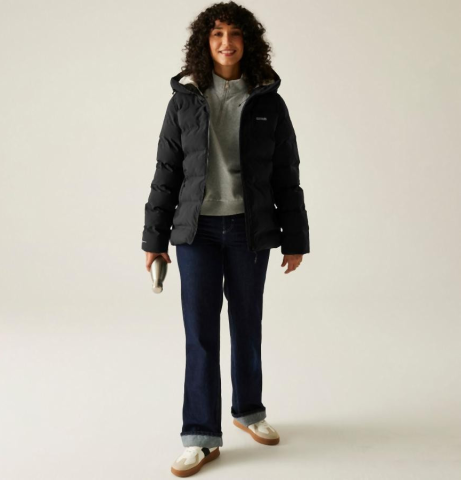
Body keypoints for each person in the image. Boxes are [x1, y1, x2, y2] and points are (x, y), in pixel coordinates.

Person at [141, 2, 310, 476]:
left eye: (234, 34)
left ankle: (249, 411)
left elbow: (286, 173)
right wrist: (154, 239)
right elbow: (167, 172)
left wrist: (295, 238)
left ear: (247, 42)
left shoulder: (268, 101)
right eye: (217, 34)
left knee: (247, 324)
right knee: (200, 333)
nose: (226, 42)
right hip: (195, 232)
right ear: (205, 42)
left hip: (248, 231)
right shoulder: (184, 100)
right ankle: (200, 435)